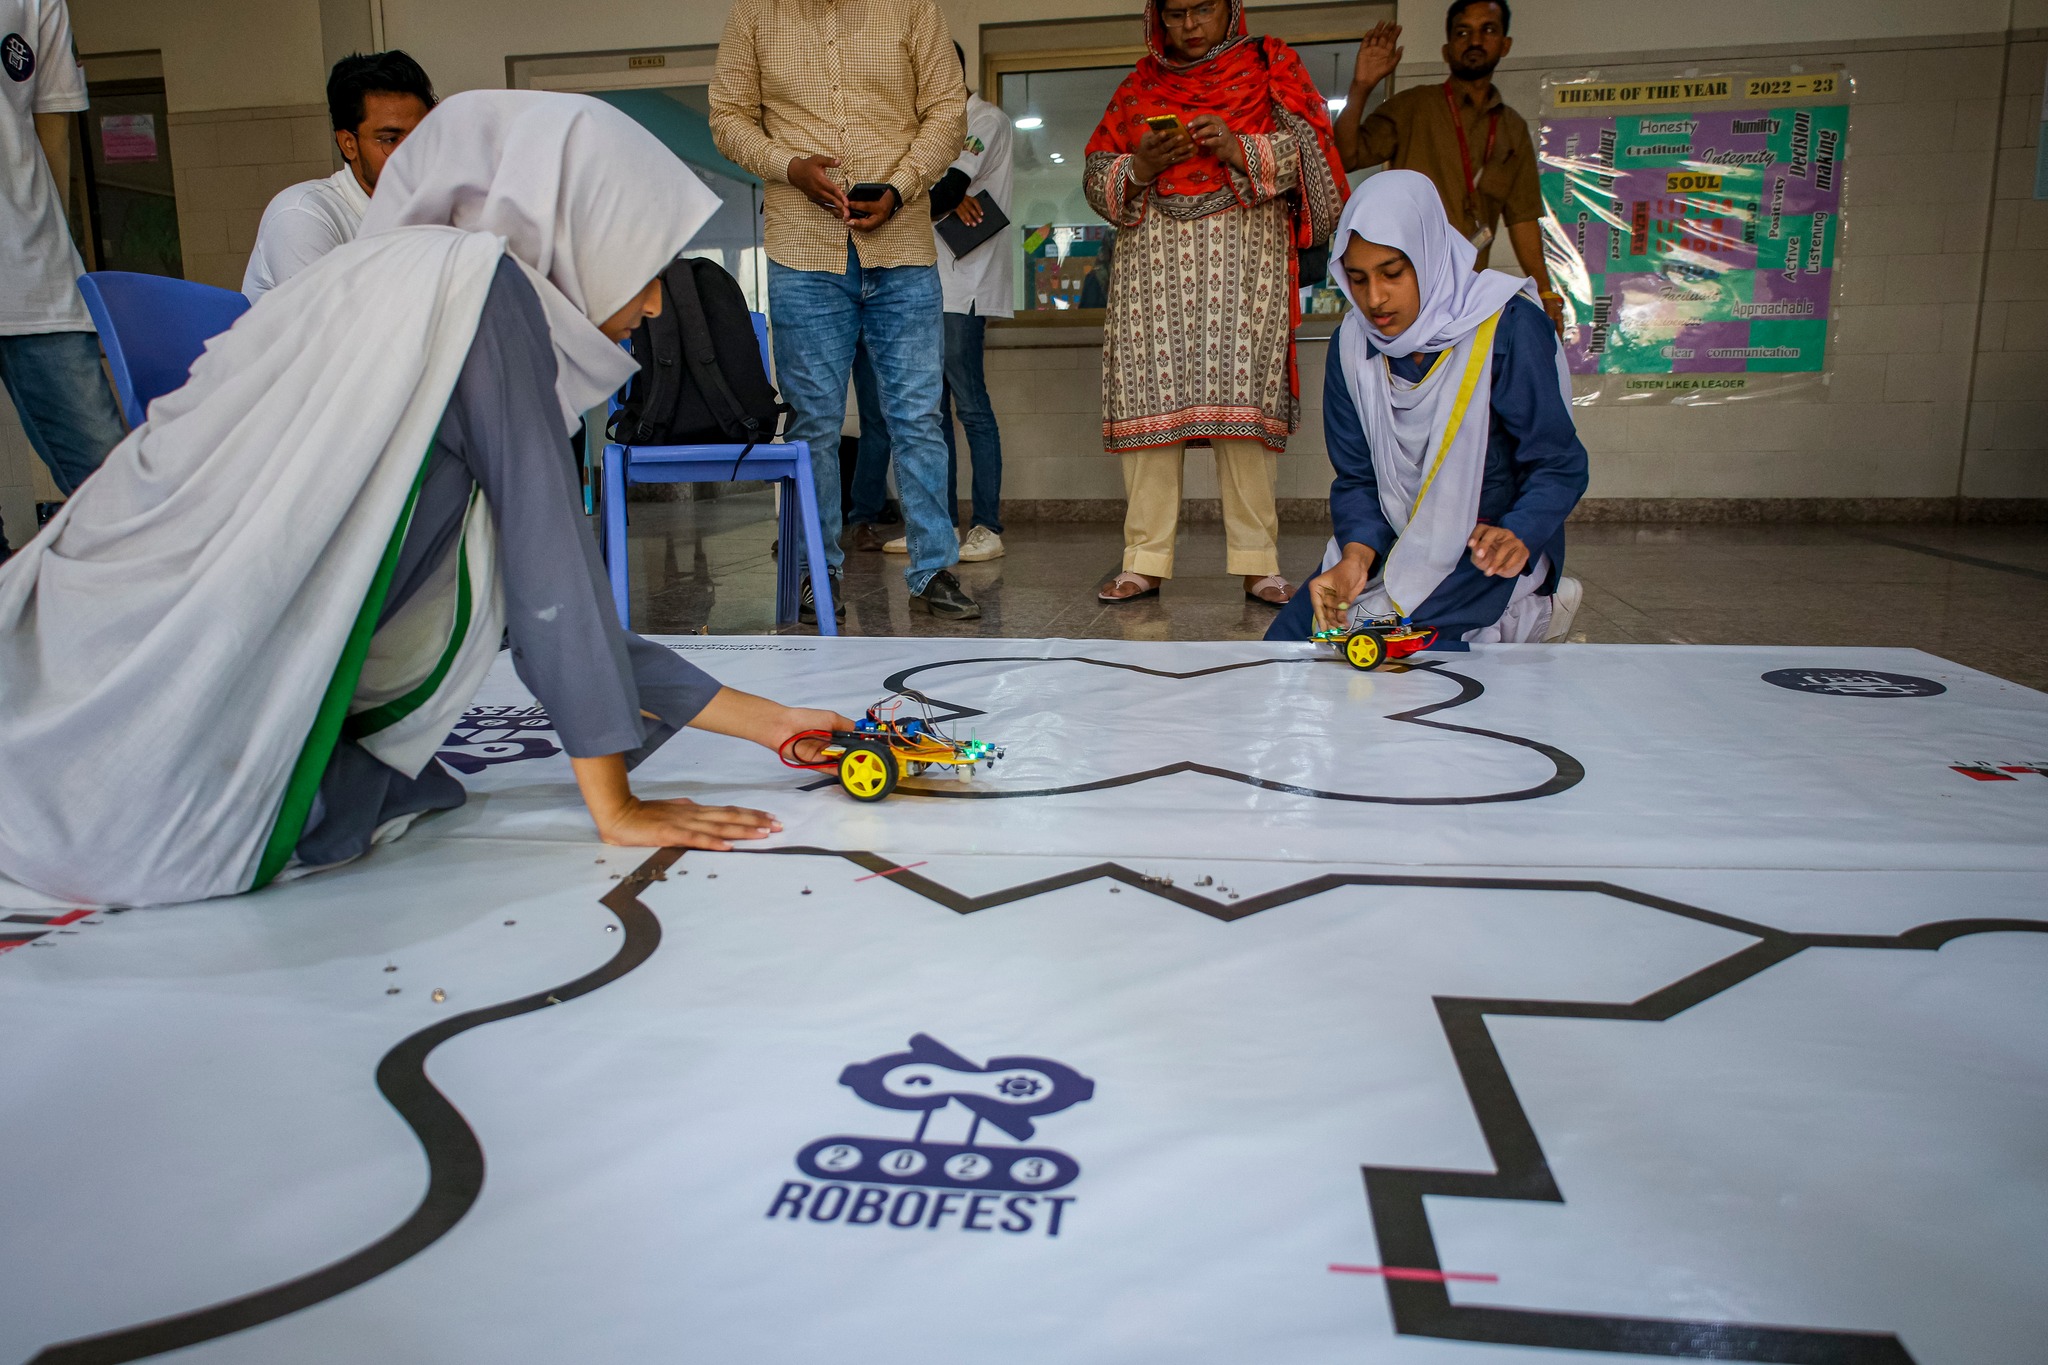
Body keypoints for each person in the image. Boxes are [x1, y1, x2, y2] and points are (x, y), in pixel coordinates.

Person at [0, 92, 854, 908]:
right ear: (572, 227)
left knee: (414, 788)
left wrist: (776, 721)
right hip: (157, 757)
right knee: (377, 791)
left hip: (76, 671)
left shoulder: (391, 274)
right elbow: (550, 582)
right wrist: (618, 806)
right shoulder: (488, 293)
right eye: (643, 261)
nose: (658, 301)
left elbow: (548, 604)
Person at [709, 0, 978, 621]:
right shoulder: (756, 14)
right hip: (803, 248)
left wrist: (901, 187)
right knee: (814, 423)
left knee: (918, 416)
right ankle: (814, 573)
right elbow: (727, 117)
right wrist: (788, 167)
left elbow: (947, 110)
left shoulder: (912, 8)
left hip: (902, 245)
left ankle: (933, 570)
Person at [1083, 0, 1346, 608]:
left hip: (1244, 265)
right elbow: (1096, 176)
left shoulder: (1267, 67)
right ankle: (1144, 560)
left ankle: (1258, 563)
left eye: (1202, 8)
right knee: (1150, 404)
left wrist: (1238, 147)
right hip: (1153, 272)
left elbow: (1314, 158)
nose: (1189, 25)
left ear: (1231, 8)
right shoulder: (1139, 86)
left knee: (1245, 409)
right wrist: (1139, 166)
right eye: (1175, 13)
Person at [1264, 170, 1585, 649]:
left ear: (1429, 256)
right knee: (1291, 643)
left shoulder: (1507, 328)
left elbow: (1558, 463)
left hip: (1484, 547)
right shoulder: (1351, 346)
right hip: (1395, 538)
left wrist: (1519, 533)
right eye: (1357, 279)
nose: (1374, 299)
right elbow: (1359, 478)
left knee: (1392, 651)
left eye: (1392, 273)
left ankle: (1534, 608)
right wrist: (1355, 558)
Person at [1334, 3, 1563, 334]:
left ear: (1505, 44)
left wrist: (1545, 291)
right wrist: (1361, 86)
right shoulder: (1413, 107)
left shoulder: (1512, 129)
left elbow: (1522, 219)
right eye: (1463, 32)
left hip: (1466, 302)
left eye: (1487, 30)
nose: (1475, 41)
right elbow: (1346, 157)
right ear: (1447, 49)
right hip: (1405, 297)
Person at [0, 0, 126, 559]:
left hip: (36, 276)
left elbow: (53, 132)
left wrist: (55, 244)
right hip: (36, 274)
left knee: (115, 495)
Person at [242, 50, 436, 303]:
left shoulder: (430, 210)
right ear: (348, 144)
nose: (412, 151)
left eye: (422, 133)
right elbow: (329, 324)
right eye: (390, 139)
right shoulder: (301, 215)